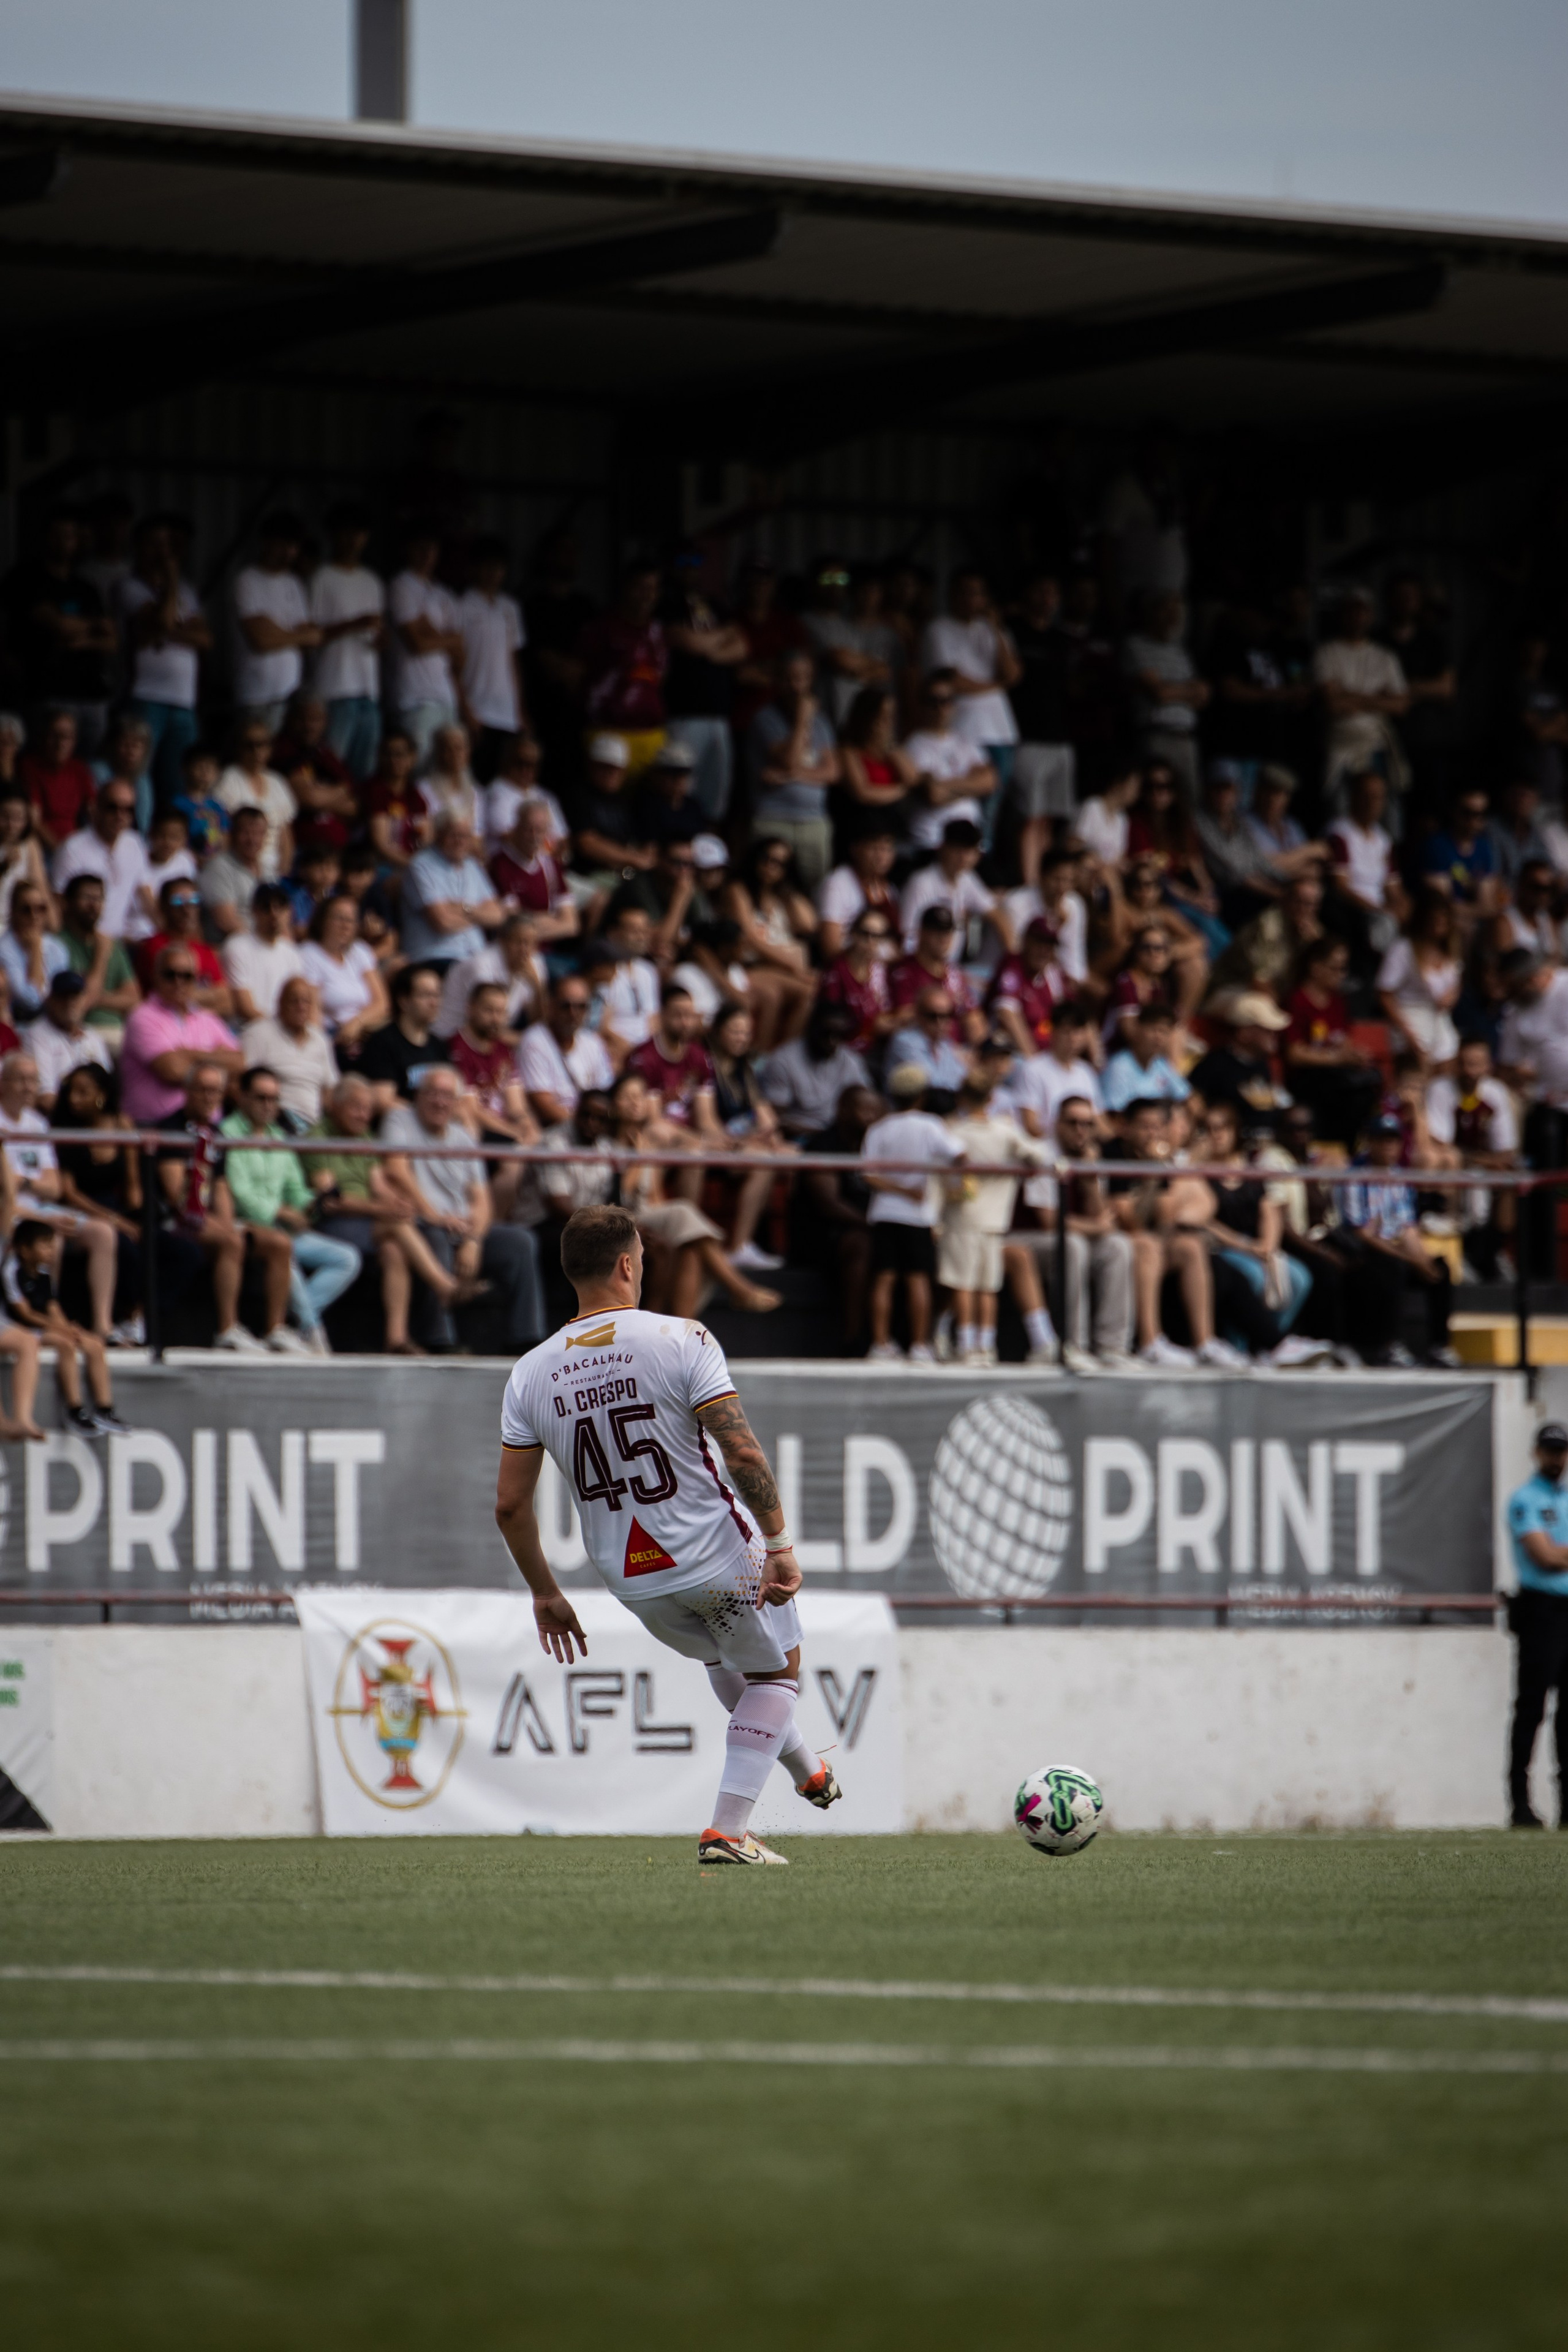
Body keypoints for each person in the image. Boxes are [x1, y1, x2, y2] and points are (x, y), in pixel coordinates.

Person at [494, 1202, 836, 1867]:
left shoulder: (529, 1372)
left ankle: (807, 1774)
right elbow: (740, 1452)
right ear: (628, 1264)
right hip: (714, 1556)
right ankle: (727, 1832)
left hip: (631, 1580)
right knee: (777, 1673)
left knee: (724, 1658)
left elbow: (510, 1506)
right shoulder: (682, 1338)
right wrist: (779, 1544)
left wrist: (545, 1594)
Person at [305, 1073, 487, 1355]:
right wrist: (386, 1210)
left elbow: (379, 1185)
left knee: (394, 1250)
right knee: (397, 1225)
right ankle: (445, 1287)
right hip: (333, 1222)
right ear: (336, 1106)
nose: (363, 1115)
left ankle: (396, 1339)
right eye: (356, 1107)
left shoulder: (366, 1137)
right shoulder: (318, 1137)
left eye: (368, 1109)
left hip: (366, 1221)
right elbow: (331, 1200)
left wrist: (399, 1203)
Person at [382, 1065, 544, 1353]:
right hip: (426, 1221)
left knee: (521, 1242)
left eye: (447, 1096)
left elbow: (481, 1199)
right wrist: (433, 1214)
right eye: (432, 1093)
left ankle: (525, 1338)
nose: (439, 1102)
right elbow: (397, 1170)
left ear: (457, 1103)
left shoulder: (463, 1137)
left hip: (465, 1228)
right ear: (418, 1095)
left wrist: (474, 1240)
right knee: (434, 1235)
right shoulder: (400, 1120)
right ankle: (440, 1339)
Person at [220, 1067, 361, 1355]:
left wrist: (312, 1202)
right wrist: (283, 1213)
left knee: (347, 1259)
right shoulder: (227, 1133)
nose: (269, 1105)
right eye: (261, 1098)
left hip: (283, 1229)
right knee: (285, 1255)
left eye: (274, 1099)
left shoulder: (278, 1136)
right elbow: (241, 1195)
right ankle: (311, 1330)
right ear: (243, 1098)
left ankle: (297, 1325)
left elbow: (295, 1188)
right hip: (245, 1226)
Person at [941, 1068, 1055, 1366]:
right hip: (992, 1223)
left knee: (965, 1286)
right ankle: (986, 1346)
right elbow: (1041, 1155)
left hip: (962, 1221)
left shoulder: (953, 1132)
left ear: (963, 1097)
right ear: (991, 1098)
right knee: (986, 1287)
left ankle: (966, 1346)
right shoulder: (1005, 1131)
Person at [154, 1060, 265, 1354]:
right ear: (188, 1091)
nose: (209, 1098)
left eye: (215, 1091)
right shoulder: (171, 1129)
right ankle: (228, 1329)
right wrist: (223, 1231)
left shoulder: (217, 1133)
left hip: (207, 1217)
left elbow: (221, 1186)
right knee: (231, 1242)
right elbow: (175, 1195)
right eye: (203, 1090)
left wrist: (226, 1223)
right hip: (174, 1219)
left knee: (279, 1244)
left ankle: (275, 1331)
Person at [862, 1062, 966, 1362]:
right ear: (921, 1095)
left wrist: (898, 1187)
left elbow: (869, 1174)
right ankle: (920, 1345)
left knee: (884, 1279)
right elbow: (960, 1154)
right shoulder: (931, 1126)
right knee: (917, 1279)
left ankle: (880, 1344)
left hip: (884, 1213)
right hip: (917, 1216)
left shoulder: (879, 1128)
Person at [1336, 1112, 1457, 1368]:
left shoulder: (1400, 1178)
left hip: (1396, 1248)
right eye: (1382, 1141)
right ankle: (1390, 1345)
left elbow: (1407, 1227)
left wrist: (1423, 1261)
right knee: (1394, 1268)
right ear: (1370, 1142)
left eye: (1393, 1141)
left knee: (1441, 1269)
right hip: (1365, 1252)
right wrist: (1409, 1260)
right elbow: (1361, 1233)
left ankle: (1439, 1346)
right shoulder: (1355, 1177)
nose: (1389, 1147)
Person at [1504, 1420, 1568, 1830]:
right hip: (1540, 1610)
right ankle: (1520, 1803)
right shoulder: (1526, 1499)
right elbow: (1544, 1556)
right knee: (1532, 1708)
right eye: (1549, 1450)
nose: (1555, 1458)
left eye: (1560, 1450)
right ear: (1536, 1453)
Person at [121, 514, 211, 805]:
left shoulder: (187, 590)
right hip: (147, 695)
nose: (163, 552)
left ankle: (174, 836)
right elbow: (161, 620)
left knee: (181, 777)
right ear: (140, 547)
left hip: (184, 700)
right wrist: (170, 583)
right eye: (155, 544)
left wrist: (168, 629)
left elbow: (206, 639)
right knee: (139, 773)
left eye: (168, 545)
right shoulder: (130, 586)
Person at [659, 545, 748, 822]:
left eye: (696, 560)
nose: (690, 566)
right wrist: (718, 643)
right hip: (685, 714)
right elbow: (685, 641)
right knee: (682, 791)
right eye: (683, 560)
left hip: (719, 716)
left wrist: (708, 650)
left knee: (717, 796)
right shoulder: (667, 602)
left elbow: (742, 646)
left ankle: (709, 851)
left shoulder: (715, 604)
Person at [2, 1220, 113, 1434]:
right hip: (24, 1328)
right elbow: (25, 1314)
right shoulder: (11, 1270)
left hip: (47, 1327)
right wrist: (61, 1331)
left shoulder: (43, 1273)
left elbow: (52, 1306)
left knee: (94, 1344)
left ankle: (104, 1408)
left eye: (52, 1246)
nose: (51, 1252)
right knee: (65, 1345)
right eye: (45, 1246)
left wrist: (70, 1329)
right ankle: (74, 1409)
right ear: (25, 1250)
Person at [748, 647, 841, 889]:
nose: (796, 686)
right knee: (768, 889)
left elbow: (832, 773)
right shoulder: (765, 719)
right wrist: (802, 719)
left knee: (814, 891)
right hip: (774, 818)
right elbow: (790, 759)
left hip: (814, 821)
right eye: (789, 678)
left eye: (803, 678)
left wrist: (790, 775)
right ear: (777, 680)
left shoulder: (821, 722)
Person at [119, 947, 243, 1127]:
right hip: (154, 1128)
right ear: (155, 977)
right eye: (171, 975)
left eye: (187, 976)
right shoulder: (142, 1016)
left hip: (207, 1126)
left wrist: (186, 1054)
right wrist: (214, 1058)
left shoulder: (208, 1019)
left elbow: (239, 1063)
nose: (179, 982)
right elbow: (172, 1070)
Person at [308, 500, 384, 780]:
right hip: (335, 688)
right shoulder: (322, 578)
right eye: (347, 533)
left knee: (365, 771)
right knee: (331, 766)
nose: (353, 540)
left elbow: (376, 634)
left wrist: (381, 639)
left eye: (359, 533)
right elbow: (312, 635)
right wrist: (355, 624)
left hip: (368, 690)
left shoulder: (372, 581)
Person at [1314, 587, 1409, 807]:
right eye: (1352, 610)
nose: (1358, 616)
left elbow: (1401, 705)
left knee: (1384, 813)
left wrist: (1348, 695)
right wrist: (1378, 699)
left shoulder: (1385, 656)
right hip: (1341, 745)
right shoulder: (1328, 652)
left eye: (1363, 610)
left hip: (1376, 744)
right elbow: (1332, 704)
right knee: (1341, 810)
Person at [232, 511, 320, 731]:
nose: (289, 552)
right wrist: (295, 635)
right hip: (256, 696)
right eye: (283, 545)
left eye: (294, 546)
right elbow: (260, 640)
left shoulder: (294, 583)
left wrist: (275, 631)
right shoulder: (248, 579)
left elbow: (312, 637)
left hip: (291, 696)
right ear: (266, 542)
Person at [49, 771, 156, 942]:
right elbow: (59, 905)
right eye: (112, 807)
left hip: (121, 942)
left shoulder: (134, 843)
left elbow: (147, 896)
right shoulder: (73, 848)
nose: (120, 816)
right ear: (96, 807)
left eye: (128, 809)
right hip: (83, 940)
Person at [902, 669, 997, 856]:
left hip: (970, 844)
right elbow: (933, 794)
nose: (940, 707)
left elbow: (990, 782)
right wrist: (970, 786)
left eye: (946, 700)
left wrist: (945, 785)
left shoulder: (966, 742)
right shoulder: (912, 746)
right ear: (922, 704)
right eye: (933, 701)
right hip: (931, 842)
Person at [390, 526, 464, 760]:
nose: (426, 554)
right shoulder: (402, 585)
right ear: (408, 550)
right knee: (420, 766)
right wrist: (448, 639)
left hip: (446, 696)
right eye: (420, 548)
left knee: (450, 768)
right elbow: (417, 644)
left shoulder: (444, 594)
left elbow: (461, 653)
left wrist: (431, 632)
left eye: (431, 549)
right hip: (416, 698)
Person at [456, 535, 526, 782]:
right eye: (487, 566)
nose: (493, 573)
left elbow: (513, 661)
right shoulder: (462, 605)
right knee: (478, 777)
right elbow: (454, 662)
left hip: (506, 712)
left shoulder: (510, 608)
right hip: (477, 709)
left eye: (498, 567)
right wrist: (466, 708)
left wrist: (519, 709)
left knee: (504, 779)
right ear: (475, 568)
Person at [401, 810, 505, 968]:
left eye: (465, 836)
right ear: (439, 835)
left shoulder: (472, 866)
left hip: (475, 955)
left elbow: (498, 916)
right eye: (453, 835)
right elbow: (443, 923)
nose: (460, 841)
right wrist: (479, 915)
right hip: (435, 956)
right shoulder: (421, 865)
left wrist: (463, 909)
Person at [761, 998, 870, 1138]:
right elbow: (774, 1118)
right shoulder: (783, 1060)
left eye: (838, 1036)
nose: (832, 1042)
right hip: (799, 1137)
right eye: (826, 1034)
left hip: (840, 1135)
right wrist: (823, 1135)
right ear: (811, 1028)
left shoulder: (851, 1060)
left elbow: (862, 1101)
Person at [517, 973, 616, 1128]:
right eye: (566, 1006)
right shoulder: (534, 1041)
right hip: (555, 1129)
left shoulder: (593, 1043)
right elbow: (542, 1103)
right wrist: (582, 1127)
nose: (573, 1013)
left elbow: (605, 1092)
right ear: (551, 1005)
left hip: (591, 1127)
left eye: (581, 1007)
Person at [134, 876, 224, 1017]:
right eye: (178, 902)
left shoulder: (205, 950)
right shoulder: (155, 947)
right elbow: (170, 997)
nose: (187, 909)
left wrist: (190, 997)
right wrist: (210, 996)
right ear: (163, 907)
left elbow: (228, 1003)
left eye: (194, 901)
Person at [216, 722, 296, 880]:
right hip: (238, 866)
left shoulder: (277, 782)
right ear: (239, 748)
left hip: (273, 868)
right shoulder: (229, 779)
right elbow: (222, 829)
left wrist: (283, 870)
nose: (256, 751)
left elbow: (285, 833)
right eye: (249, 745)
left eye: (262, 745)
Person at [20, 969, 111, 1107]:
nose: (70, 1003)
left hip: (92, 1118)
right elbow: (45, 1098)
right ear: (51, 1000)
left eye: (75, 996)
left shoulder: (94, 1037)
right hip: (57, 1122)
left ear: (84, 999)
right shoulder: (36, 1035)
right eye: (63, 997)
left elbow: (107, 1089)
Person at [221, 882, 304, 1025]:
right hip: (249, 1030)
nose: (274, 914)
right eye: (267, 908)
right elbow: (245, 1008)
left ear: (289, 912)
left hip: (285, 1031)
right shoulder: (237, 946)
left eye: (280, 907)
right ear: (254, 911)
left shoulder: (291, 952)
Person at [20, 707, 96, 853]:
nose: (60, 743)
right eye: (55, 736)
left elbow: (93, 810)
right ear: (44, 737)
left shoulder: (79, 768)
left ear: (74, 741)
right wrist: (60, 850)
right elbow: (35, 820)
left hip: (75, 842)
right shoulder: (31, 767)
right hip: (44, 845)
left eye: (66, 737)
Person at [0, 881, 70, 1022]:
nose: (34, 915)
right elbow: (31, 1000)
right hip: (19, 1023)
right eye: (27, 909)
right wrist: (36, 950)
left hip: (52, 1024)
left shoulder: (57, 947)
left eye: (41, 908)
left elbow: (62, 994)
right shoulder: (4, 948)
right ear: (14, 912)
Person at [198, 805, 269, 941]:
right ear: (232, 834)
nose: (252, 840)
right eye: (246, 833)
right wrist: (262, 943)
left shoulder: (268, 870)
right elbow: (226, 921)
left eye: (258, 833)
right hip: (232, 945)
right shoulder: (218, 868)